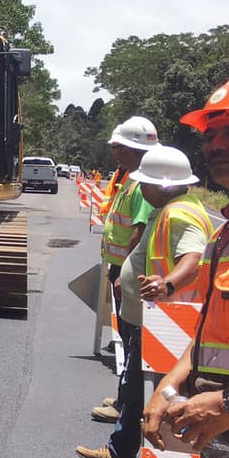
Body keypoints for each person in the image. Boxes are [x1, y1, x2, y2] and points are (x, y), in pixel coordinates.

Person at [143, 78, 229, 458]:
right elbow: (209, 330)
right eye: (212, 136)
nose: (217, 146)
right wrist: (171, 385)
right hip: (225, 431)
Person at [75, 144, 216, 458]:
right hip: (156, 315)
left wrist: (167, 284)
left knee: (142, 388)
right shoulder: (175, 206)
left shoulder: (179, 213)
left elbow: (193, 257)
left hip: (166, 318)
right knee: (137, 384)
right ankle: (122, 451)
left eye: (146, 183)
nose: (142, 188)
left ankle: (121, 454)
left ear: (163, 185)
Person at [87, 116, 158, 424]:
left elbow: (138, 232)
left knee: (131, 341)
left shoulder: (142, 184)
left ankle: (126, 405)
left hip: (127, 268)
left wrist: (125, 273)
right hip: (119, 266)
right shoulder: (129, 178)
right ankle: (122, 399)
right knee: (127, 338)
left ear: (134, 149)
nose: (114, 152)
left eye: (118, 147)